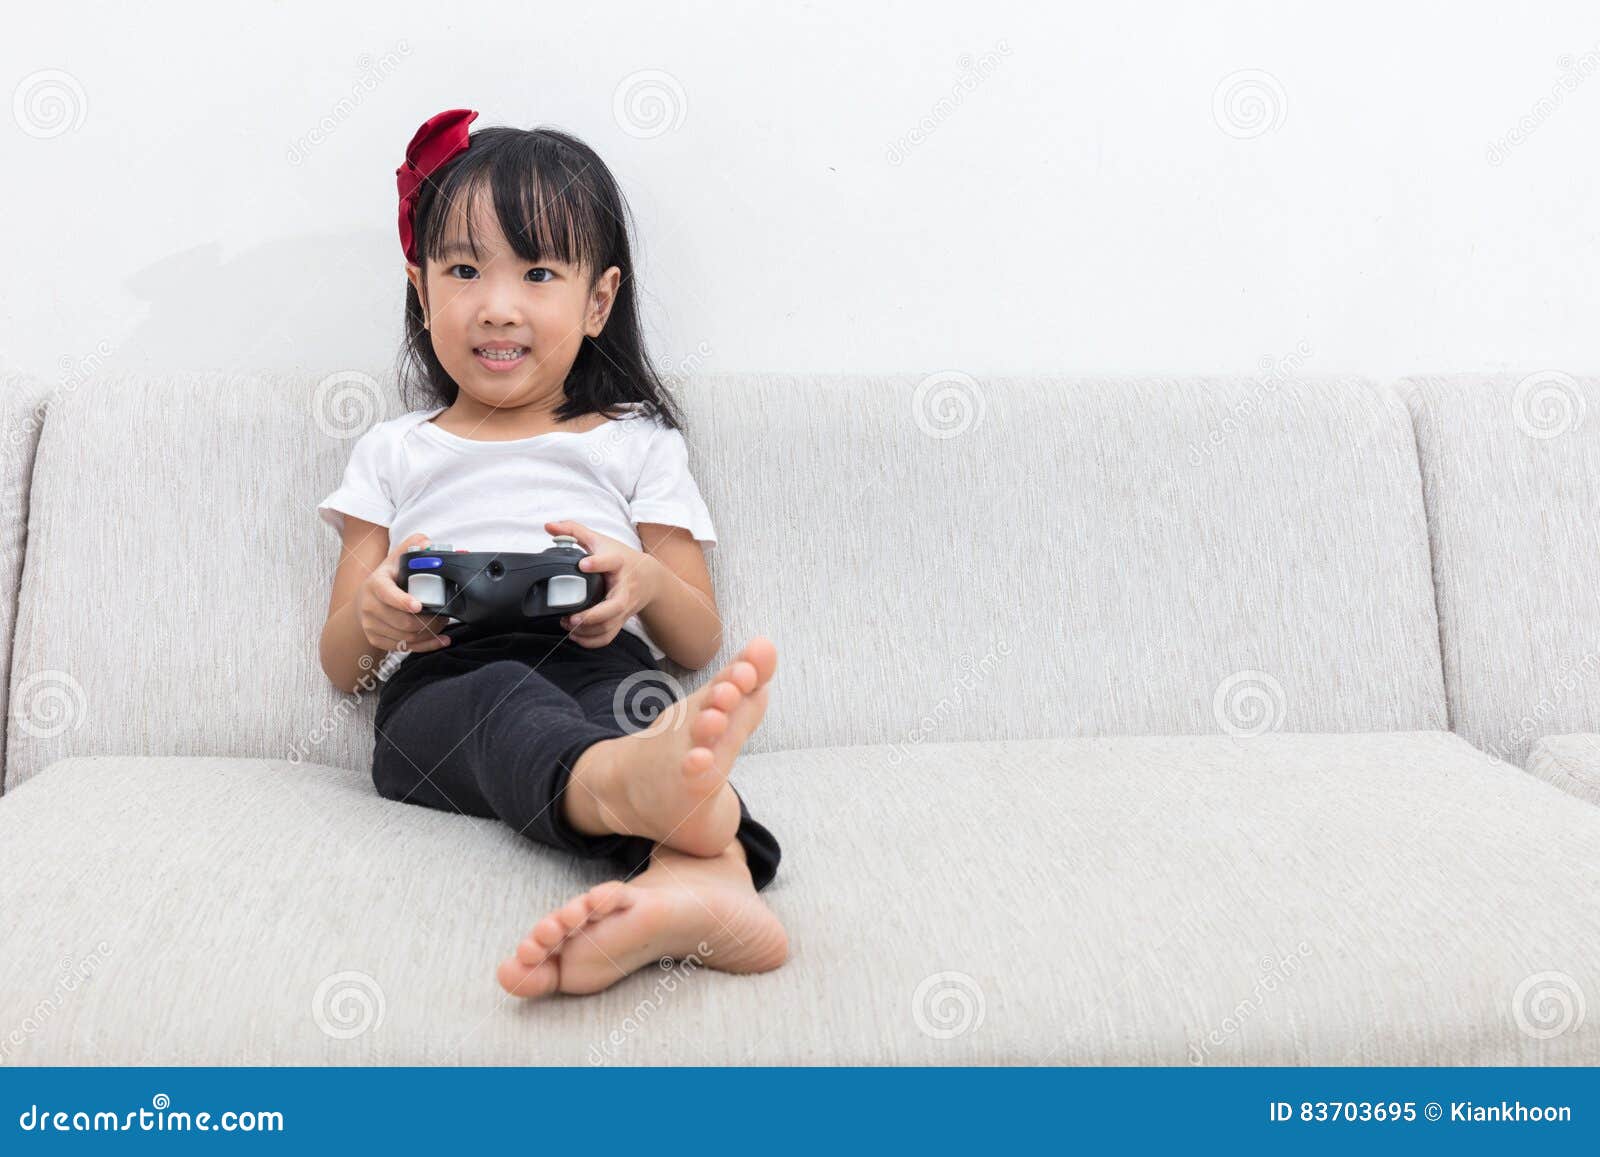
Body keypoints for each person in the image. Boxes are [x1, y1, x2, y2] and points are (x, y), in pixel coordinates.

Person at [316, 109, 789, 999]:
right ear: (423, 291)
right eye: (463, 270)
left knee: (648, 715)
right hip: (442, 697)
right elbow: (344, 664)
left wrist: (644, 577)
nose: (497, 305)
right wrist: (373, 617)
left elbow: (692, 639)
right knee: (517, 698)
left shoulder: (634, 442)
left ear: (597, 301)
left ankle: (708, 885)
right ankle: (637, 797)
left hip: (598, 666)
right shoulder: (392, 450)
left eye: (538, 272)